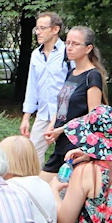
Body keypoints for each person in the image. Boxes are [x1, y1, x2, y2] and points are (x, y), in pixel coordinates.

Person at [42, 26, 106, 177]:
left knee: (63, 193)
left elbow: (93, 116)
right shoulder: (71, 73)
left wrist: (62, 129)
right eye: (68, 43)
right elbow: (62, 106)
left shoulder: (92, 76)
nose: (69, 48)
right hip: (61, 144)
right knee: (44, 189)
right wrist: (52, 127)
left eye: (75, 44)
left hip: (77, 145)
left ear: (88, 48)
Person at [20, 12, 71, 169]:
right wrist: (26, 117)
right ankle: (34, 189)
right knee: (33, 154)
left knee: (67, 155)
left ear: (55, 29)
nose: (38, 32)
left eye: (42, 28)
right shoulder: (36, 55)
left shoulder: (68, 53)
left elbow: (73, 87)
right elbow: (32, 86)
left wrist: (57, 119)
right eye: (37, 28)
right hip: (43, 113)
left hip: (66, 113)